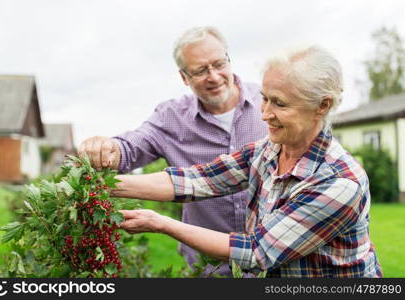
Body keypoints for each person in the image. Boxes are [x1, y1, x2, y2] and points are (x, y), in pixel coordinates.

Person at [111, 45, 383, 277]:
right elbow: (199, 180)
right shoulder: (269, 151)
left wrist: (162, 223)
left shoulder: (338, 182)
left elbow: (256, 251)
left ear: (322, 106)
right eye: (264, 98)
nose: (264, 114)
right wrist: (105, 184)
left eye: (280, 103)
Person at [78, 26, 267, 275]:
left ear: (229, 59)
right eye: (200, 70)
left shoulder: (269, 103)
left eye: (219, 64)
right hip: (209, 268)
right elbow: (130, 148)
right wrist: (104, 149)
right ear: (184, 77)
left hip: (275, 262)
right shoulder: (172, 118)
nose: (214, 76)